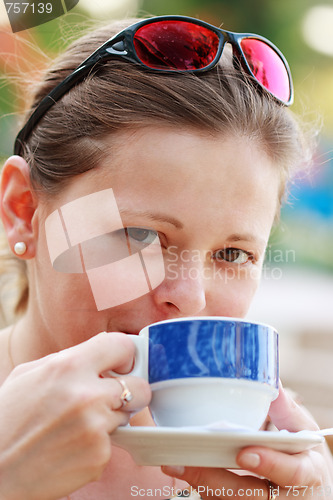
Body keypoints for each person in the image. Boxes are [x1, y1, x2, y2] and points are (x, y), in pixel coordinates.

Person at [0, 14, 332, 500]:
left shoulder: (269, 462)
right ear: (23, 212)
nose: (190, 297)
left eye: (233, 253)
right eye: (138, 234)